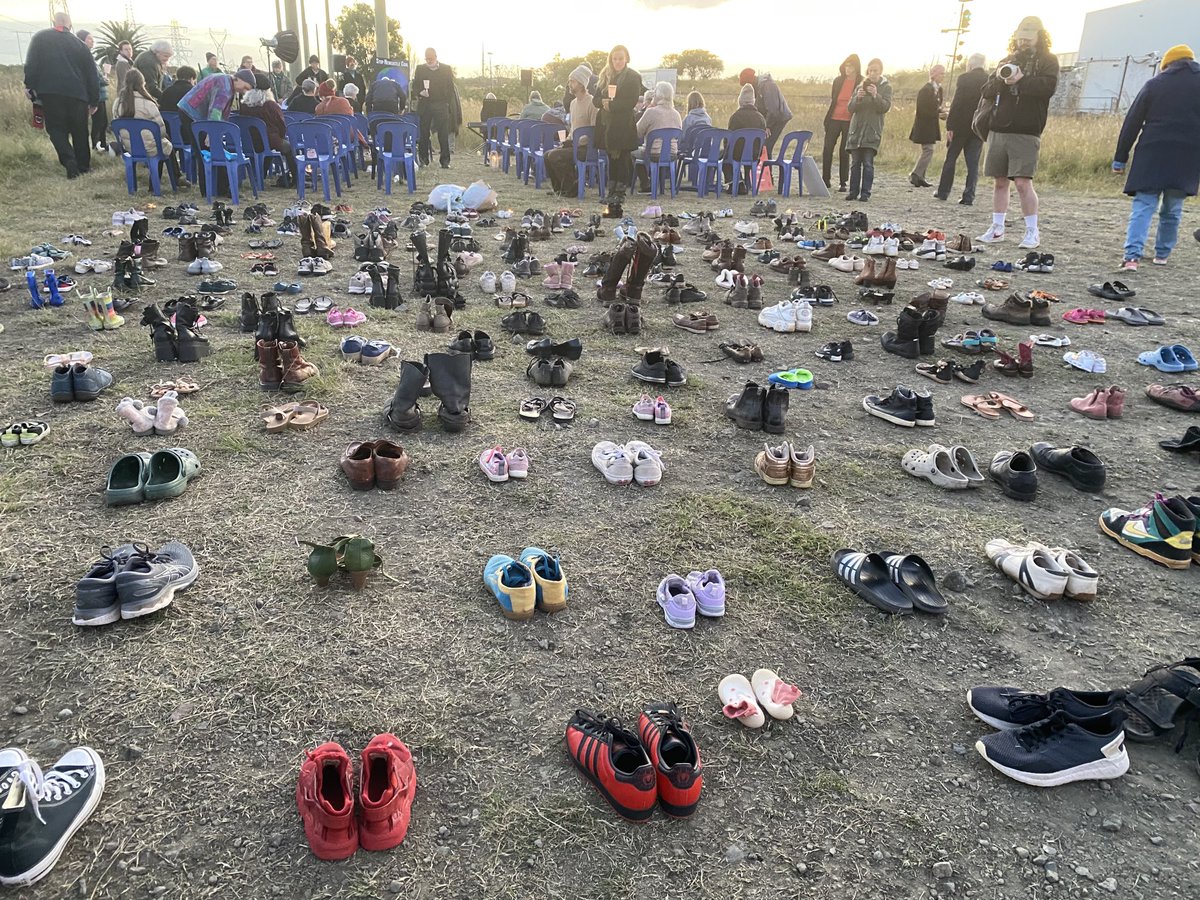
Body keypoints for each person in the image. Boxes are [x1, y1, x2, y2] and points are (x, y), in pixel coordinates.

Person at [1112, 45, 1200, 271]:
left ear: (1167, 65)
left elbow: (1132, 121)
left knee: (1143, 204)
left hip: (1153, 151)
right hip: (1188, 154)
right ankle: (1162, 254)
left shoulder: (1155, 84)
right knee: (1173, 207)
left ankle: (1132, 257)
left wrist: (1120, 158)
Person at [976, 16, 1059, 250]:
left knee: (1023, 183)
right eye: (1020, 37)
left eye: (1028, 38)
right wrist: (1003, 80)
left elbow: (1048, 88)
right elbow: (987, 91)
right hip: (999, 128)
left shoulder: (1048, 61)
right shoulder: (1007, 60)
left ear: (1039, 37)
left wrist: (1021, 80)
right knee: (999, 182)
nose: (1023, 42)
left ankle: (1032, 231)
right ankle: (997, 228)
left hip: (1027, 130)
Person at [23, 11, 99, 178]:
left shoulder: (40, 38)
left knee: (56, 129)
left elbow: (31, 64)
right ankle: (84, 166)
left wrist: (30, 86)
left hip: (50, 93)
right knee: (80, 131)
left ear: (53, 21)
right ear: (70, 25)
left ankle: (69, 160)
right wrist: (94, 100)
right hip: (78, 94)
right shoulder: (80, 44)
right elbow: (92, 74)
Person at [113, 68, 188, 187]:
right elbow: (160, 130)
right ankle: (169, 180)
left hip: (129, 147)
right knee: (164, 143)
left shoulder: (118, 103)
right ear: (142, 83)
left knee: (162, 144)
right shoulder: (148, 103)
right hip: (149, 147)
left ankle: (167, 180)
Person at [936, 53, 988, 205]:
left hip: (960, 127)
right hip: (978, 127)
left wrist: (950, 126)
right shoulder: (989, 79)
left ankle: (943, 192)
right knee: (973, 164)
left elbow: (957, 102)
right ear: (983, 65)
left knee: (951, 159)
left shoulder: (964, 78)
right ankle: (969, 196)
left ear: (970, 65)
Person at [593, 45, 641, 202]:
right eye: (615, 59)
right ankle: (611, 191)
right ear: (611, 60)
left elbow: (631, 101)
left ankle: (620, 193)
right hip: (607, 125)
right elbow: (595, 99)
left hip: (623, 125)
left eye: (621, 58)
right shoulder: (605, 76)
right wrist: (603, 103)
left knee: (622, 159)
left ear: (626, 58)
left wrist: (612, 105)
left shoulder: (633, 77)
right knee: (611, 159)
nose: (618, 62)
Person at [845, 58, 892, 202]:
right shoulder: (860, 86)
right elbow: (850, 108)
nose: (872, 73)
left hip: (872, 131)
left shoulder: (886, 87)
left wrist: (875, 95)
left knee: (868, 164)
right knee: (854, 164)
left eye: (875, 71)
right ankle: (853, 191)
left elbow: (884, 107)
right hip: (856, 131)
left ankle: (865, 193)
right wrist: (857, 98)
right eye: (870, 70)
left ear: (880, 72)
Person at [546, 64, 597, 195]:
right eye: (569, 81)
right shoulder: (573, 104)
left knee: (555, 156)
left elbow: (594, 129)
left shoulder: (592, 103)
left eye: (572, 81)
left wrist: (578, 142)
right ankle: (560, 189)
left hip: (586, 148)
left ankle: (572, 188)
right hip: (573, 144)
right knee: (547, 155)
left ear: (581, 84)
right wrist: (567, 141)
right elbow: (574, 127)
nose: (569, 84)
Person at [240, 71, 295, 187]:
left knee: (267, 146)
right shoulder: (271, 105)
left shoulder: (244, 106)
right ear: (267, 91)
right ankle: (296, 179)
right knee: (289, 147)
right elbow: (281, 126)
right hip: (271, 141)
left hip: (249, 142)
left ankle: (261, 175)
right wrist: (281, 136)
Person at [822, 55, 861, 191]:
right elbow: (834, 99)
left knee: (844, 151)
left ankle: (843, 182)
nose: (847, 68)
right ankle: (825, 179)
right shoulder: (838, 81)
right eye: (846, 65)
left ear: (856, 67)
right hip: (834, 118)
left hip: (850, 120)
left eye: (850, 66)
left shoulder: (861, 81)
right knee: (827, 148)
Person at [412, 47, 457, 168]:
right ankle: (423, 160)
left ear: (436, 57)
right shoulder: (420, 69)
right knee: (424, 133)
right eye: (427, 59)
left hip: (441, 104)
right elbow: (415, 86)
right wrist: (420, 93)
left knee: (443, 134)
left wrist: (446, 102)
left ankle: (445, 161)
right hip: (425, 104)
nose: (429, 61)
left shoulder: (445, 69)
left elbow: (450, 88)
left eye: (430, 58)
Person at [635, 81, 682, 192]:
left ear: (658, 96)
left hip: (653, 153)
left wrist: (649, 108)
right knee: (661, 152)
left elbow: (638, 132)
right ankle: (660, 185)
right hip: (672, 153)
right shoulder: (676, 114)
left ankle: (645, 183)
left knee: (633, 153)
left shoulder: (651, 112)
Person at [908, 64, 945, 187]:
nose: (943, 76)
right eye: (941, 73)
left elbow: (936, 107)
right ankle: (916, 173)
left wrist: (942, 112)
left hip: (931, 125)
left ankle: (920, 177)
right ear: (933, 74)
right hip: (924, 125)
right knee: (928, 150)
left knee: (927, 150)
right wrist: (938, 114)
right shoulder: (925, 90)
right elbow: (922, 110)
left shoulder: (938, 89)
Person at [177, 67, 255, 123]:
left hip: (187, 108)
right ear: (237, 79)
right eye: (245, 87)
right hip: (191, 112)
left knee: (197, 144)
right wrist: (212, 132)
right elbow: (215, 111)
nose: (245, 92)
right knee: (202, 144)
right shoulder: (225, 88)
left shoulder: (224, 78)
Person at [75, 30, 109, 152]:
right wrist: (104, 80)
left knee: (104, 122)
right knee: (98, 122)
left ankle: (103, 144)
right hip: (95, 95)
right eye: (89, 38)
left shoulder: (91, 57)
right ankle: (96, 145)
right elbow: (93, 77)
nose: (92, 41)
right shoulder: (83, 57)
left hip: (101, 95)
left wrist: (104, 77)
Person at [755, 71, 792, 156]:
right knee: (764, 146)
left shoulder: (768, 86)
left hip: (779, 117)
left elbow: (773, 109)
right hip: (774, 116)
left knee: (766, 146)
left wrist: (767, 126)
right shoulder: (760, 86)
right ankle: (764, 167)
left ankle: (766, 168)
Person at [160, 65, 197, 144]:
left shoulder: (166, 92)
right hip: (189, 134)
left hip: (169, 133)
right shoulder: (194, 92)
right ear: (191, 78)